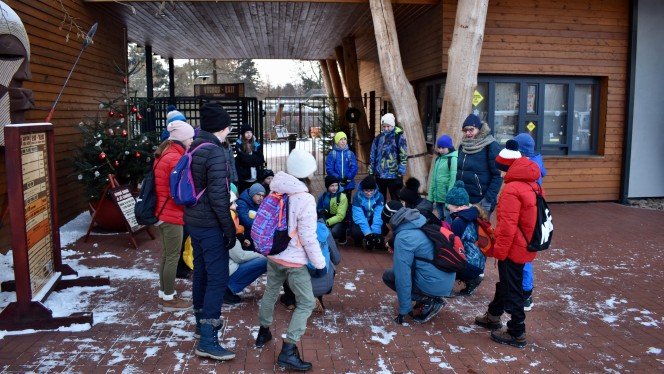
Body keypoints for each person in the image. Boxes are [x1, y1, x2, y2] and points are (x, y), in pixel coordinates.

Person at [254, 148, 326, 371]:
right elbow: (308, 237)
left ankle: (263, 332)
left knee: (271, 291)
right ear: (307, 173)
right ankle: (288, 349)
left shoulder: (276, 188)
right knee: (306, 302)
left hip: (274, 253)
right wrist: (320, 264)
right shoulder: (304, 198)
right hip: (294, 260)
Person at [474, 140, 542, 348]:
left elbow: (507, 226)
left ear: (507, 167)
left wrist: (499, 251)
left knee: (512, 287)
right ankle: (494, 315)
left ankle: (516, 331)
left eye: (501, 170)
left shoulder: (512, 189)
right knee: (507, 283)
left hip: (514, 246)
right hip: (526, 243)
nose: (499, 174)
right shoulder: (533, 183)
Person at [184, 102, 236, 361]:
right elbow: (218, 197)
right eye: (228, 127)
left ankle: (199, 325)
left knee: (202, 271)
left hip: (194, 220)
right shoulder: (215, 152)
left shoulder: (195, 145)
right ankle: (208, 339)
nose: (229, 131)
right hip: (210, 223)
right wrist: (229, 229)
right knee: (217, 278)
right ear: (221, 127)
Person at [382, 203, 455, 324]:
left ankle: (429, 300)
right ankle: (429, 297)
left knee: (389, 276)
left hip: (435, 282)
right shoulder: (420, 221)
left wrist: (404, 309)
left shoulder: (403, 238)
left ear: (389, 223)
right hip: (445, 277)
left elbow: (402, 276)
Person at [153, 119, 195, 312]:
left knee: (167, 255)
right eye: (190, 138)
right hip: (171, 214)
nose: (191, 141)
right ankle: (169, 299)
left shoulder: (166, 153)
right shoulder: (174, 158)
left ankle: (164, 294)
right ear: (182, 138)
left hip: (163, 211)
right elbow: (178, 190)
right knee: (172, 257)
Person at [280, 211, 342, 313]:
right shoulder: (324, 230)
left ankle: (290, 300)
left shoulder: (293, 230)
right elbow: (337, 259)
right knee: (326, 262)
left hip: (300, 283)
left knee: (286, 263)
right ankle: (318, 298)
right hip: (325, 285)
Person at [513, 133, 547, 311]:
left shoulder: (529, 170)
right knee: (523, 257)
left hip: (527, 223)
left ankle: (525, 294)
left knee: (523, 257)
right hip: (529, 221)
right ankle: (523, 291)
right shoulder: (534, 165)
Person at [224, 191, 268, 305]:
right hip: (226, 271)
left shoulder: (224, 222)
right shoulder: (227, 225)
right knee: (264, 261)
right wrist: (258, 254)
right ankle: (228, 289)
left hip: (224, 269)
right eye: (234, 203)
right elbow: (240, 256)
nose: (237, 205)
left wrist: (241, 239)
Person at [456, 113, 502, 218]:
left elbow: (497, 175)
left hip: (481, 200)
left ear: (479, 129)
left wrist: (488, 199)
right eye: (465, 130)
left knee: (480, 233)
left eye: (471, 129)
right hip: (464, 199)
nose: (468, 133)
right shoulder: (463, 146)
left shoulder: (491, 145)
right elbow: (459, 171)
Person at [445, 180, 487, 296]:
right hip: (478, 263)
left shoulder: (459, 221)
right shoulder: (473, 214)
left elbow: (452, 247)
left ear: (457, 205)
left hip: (470, 266)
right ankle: (472, 279)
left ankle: (444, 288)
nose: (447, 207)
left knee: (441, 259)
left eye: (449, 204)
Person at [369, 113, 408, 200]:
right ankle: (381, 213)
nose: (386, 128)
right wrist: (371, 172)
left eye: (388, 126)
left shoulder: (399, 137)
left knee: (395, 198)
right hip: (380, 175)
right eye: (384, 126)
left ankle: (396, 213)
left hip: (393, 175)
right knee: (379, 198)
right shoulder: (378, 138)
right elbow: (372, 155)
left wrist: (400, 173)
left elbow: (403, 156)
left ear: (392, 125)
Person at [325, 131, 358, 211]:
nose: (343, 141)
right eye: (341, 139)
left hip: (348, 183)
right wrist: (338, 178)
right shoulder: (332, 154)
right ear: (337, 141)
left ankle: (347, 219)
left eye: (344, 139)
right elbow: (329, 169)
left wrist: (348, 177)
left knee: (347, 202)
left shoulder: (350, 154)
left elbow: (354, 167)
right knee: (337, 202)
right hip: (337, 184)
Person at [350, 175, 385, 249]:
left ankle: (377, 239)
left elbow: (378, 215)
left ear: (375, 189)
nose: (369, 193)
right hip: (362, 220)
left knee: (385, 225)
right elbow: (359, 216)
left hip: (372, 219)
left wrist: (375, 233)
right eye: (366, 190)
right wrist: (368, 234)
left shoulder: (379, 196)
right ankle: (360, 239)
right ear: (362, 190)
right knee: (356, 233)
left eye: (371, 190)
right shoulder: (357, 197)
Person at [428, 134, 458, 221]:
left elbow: (453, 180)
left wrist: (449, 199)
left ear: (448, 147)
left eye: (443, 148)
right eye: (439, 147)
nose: (440, 150)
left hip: (446, 199)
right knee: (440, 220)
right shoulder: (438, 159)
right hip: (437, 197)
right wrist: (430, 197)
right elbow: (433, 179)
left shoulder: (453, 159)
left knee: (448, 221)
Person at [316, 175, 348, 244]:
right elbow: (318, 208)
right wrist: (321, 212)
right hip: (327, 216)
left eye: (336, 185)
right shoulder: (323, 196)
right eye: (332, 186)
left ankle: (342, 234)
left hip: (339, 219)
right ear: (327, 187)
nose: (334, 188)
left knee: (335, 232)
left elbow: (340, 216)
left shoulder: (342, 197)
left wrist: (327, 222)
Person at [235, 124, 265, 194]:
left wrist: (249, 160)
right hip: (244, 178)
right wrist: (254, 159)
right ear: (243, 133)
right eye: (247, 132)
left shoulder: (256, 144)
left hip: (255, 177)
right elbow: (243, 159)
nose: (249, 134)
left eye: (250, 132)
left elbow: (261, 159)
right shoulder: (239, 144)